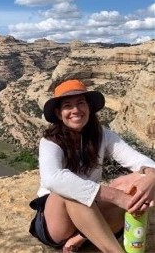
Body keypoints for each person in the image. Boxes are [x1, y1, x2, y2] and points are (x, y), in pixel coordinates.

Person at [29, 79, 155, 253]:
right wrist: (115, 196)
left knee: (139, 180)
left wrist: (151, 176)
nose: (75, 110)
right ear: (59, 113)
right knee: (69, 190)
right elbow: (52, 179)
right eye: (68, 105)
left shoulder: (103, 135)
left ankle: (81, 237)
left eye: (81, 103)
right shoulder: (50, 142)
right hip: (58, 222)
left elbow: (137, 160)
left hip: (92, 216)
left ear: (89, 107)